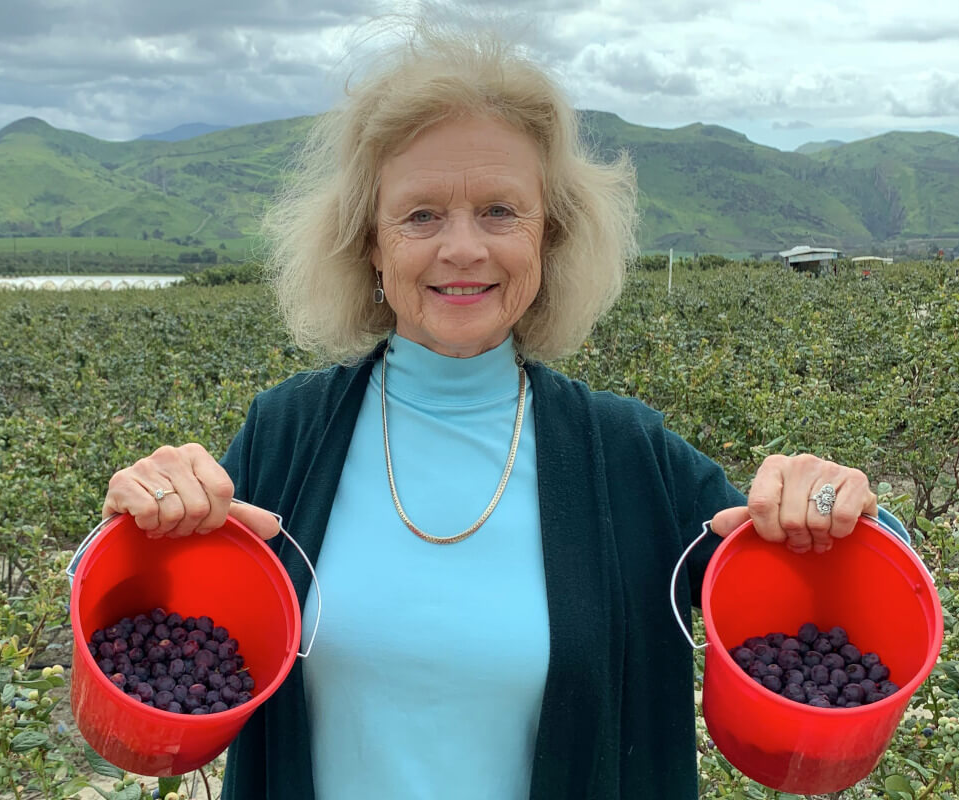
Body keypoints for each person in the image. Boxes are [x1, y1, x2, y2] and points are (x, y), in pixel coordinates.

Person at [100, 20, 909, 800]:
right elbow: (138, 626)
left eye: (499, 210)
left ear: (548, 239)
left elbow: (841, 588)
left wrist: (838, 506)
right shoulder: (288, 435)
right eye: (421, 215)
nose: (463, 248)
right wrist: (136, 518)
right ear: (370, 245)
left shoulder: (626, 455)